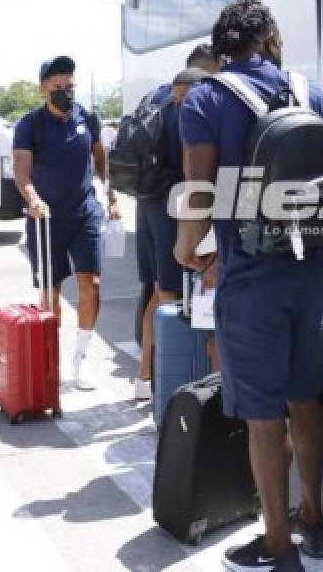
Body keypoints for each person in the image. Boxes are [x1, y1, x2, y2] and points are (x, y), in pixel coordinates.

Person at [176, 0, 323, 572]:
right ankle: (313, 522)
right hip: (309, 267)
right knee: (305, 397)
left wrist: (185, 249)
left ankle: (277, 546)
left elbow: (198, 191)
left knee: (263, 414)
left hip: (249, 274)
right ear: (269, 37)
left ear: (221, 48)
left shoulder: (206, 99)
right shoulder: (306, 90)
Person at [13, 56, 120, 391]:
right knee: (50, 293)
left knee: (92, 286)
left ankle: (81, 359)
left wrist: (110, 195)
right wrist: (32, 198)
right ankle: (52, 361)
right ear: (43, 88)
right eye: (57, 87)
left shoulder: (87, 118)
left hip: (84, 214)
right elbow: (21, 170)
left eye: (69, 86)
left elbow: (102, 161)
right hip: (45, 219)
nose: (65, 92)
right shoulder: (31, 125)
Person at [133, 66, 210, 404]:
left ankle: (144, 376)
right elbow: (192, 171)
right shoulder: (187, 114)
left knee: (157, 295)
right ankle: (166, 386)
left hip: (148, 207)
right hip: (171, 211)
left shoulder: (156, 104)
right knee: (169, 297)